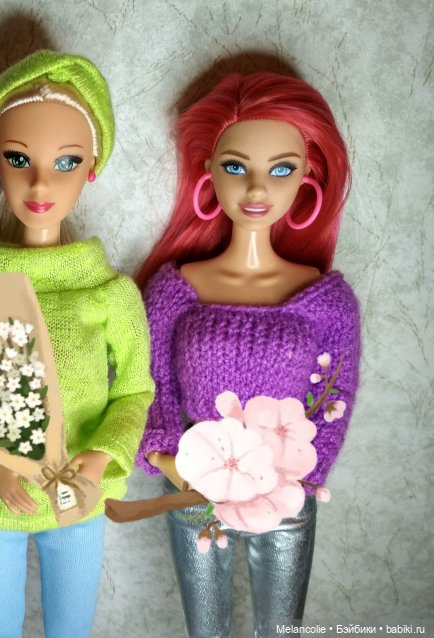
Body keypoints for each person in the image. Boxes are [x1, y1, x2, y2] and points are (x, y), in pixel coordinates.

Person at [0, 50, 153, 638]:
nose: (40, 183)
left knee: (72, 626)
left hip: (77, 491)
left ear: (92, 166)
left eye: (66, 162)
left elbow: (135, 391)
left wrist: (101, 456)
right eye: (18, 159)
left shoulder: (109, 294)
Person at [133, 73, 360, 637]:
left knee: (282, 628)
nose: (257, 189)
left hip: (285, 493)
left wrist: (299, 480)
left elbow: (333, 396)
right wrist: (171, 463)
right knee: (204, 629)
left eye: (281, 170)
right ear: (207, 171)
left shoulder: (324, 300)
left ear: (308, 178)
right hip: (193, 487)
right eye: (236, 167)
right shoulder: (175, 290)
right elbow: (149, 386)